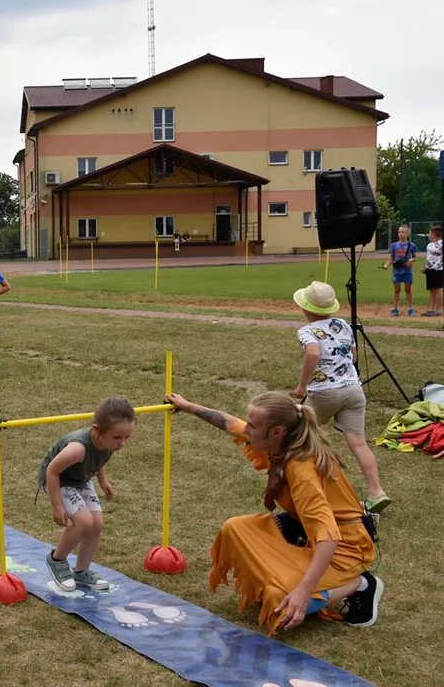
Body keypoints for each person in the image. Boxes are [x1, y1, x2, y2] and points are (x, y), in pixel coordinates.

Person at [165, 392, 382, 633]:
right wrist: (188, 406)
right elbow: (231, 424)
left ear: (276, 432)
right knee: (235, 528)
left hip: (345, 548)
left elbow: (329, 537)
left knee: (282, 604)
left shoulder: (301, 472)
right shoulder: (278, 443)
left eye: (253, 426)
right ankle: (296, 570)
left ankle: (359, 583)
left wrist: (303, 592)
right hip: (302, 529)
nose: (246, 430)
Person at [292, 281, 389, 512]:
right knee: (358, 443)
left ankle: (305, 486)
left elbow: (313, 352)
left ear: (305, 309)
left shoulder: (306, 331)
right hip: (354, 390)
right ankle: (377, 492)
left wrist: (301, 386)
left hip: (325, 392)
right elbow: (353, 356)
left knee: (302, 434)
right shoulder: (343, 325)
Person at [39, 397, 135, 592]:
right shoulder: (77, 449)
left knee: (97, 524)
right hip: (61, 480)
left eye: (127, 437)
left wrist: (102, 481)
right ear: (97, 430)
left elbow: (101, 460)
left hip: (80, 479)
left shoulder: (109, 442)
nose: (122, 443)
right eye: (118, 438)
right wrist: (57, 506)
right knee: (84, 522)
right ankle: (57, 559)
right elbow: (52, 471)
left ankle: (81, 571)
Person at [383, 225, 416, 316]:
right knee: (396, 290)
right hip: (397, 271)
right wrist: (386, 264)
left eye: (403, 232)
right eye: (399, 232)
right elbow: (391, 258)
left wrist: (411, 260)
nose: (401, 234)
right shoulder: (394, 245)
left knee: (408, 289)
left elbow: (414, 257)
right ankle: (395, 308)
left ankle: (410, 308)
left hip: (407, 271)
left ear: (408, 234)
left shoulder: (411, 245)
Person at [421, 225, 443, 316]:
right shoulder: (429, 245)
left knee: (438, 289)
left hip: (438, 269)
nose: (429, 235)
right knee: (431, 290)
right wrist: (424, 266)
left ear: (435, 234)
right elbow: (428, 257)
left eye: (430, 233)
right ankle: (430, 309)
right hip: (429, 269)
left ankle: (438, 310)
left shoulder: (442, 244)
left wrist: (437, 265)